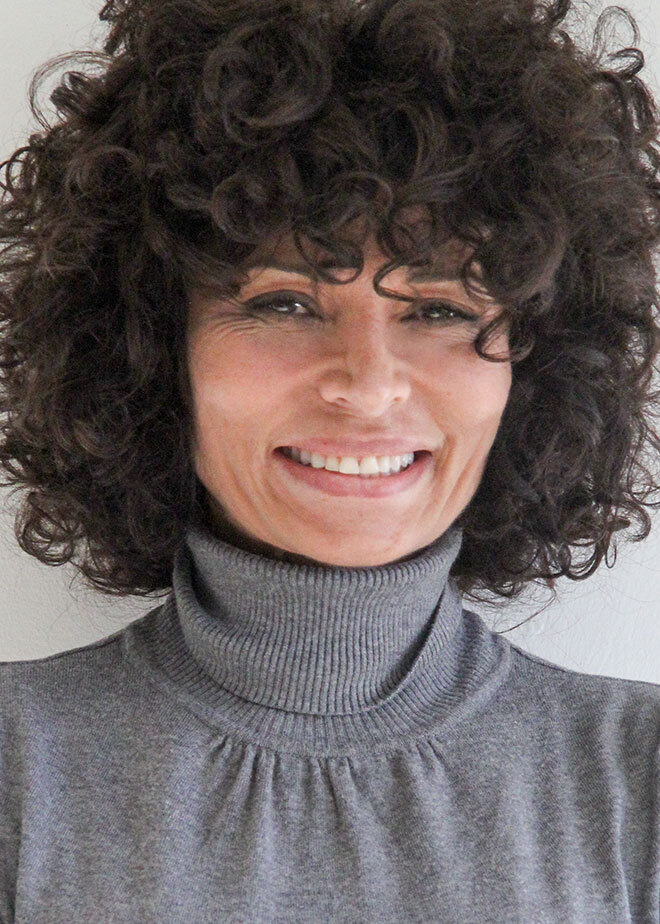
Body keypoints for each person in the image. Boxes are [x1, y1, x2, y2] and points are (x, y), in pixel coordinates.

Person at [0, 0, 659, 920]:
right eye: (286, 304)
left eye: (439, 310)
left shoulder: (637, 781)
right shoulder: (17, 768)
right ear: (152, 348)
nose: (369, 386)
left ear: (534, 368)